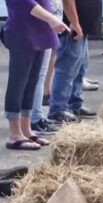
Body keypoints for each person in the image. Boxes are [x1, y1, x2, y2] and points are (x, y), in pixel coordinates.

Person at [2, 0, 68, 151]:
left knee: (31, 83)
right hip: (23, 30)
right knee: (18, 82)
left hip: (39, 29)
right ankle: (14, 133)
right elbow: (25, 3)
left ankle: (26, 129)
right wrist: (51, 19)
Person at [47, 0, 101, 124]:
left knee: (80, 67)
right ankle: (58, 108)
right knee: (67, 68)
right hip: (74, 25)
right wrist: (74, 22)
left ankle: (75, 104)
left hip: (82, 24)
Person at [30, 0, 63, 135]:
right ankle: (35, 118)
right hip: (40, 26)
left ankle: (35, 117)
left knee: (39, 76)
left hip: (46, 24)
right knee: (37, 76)